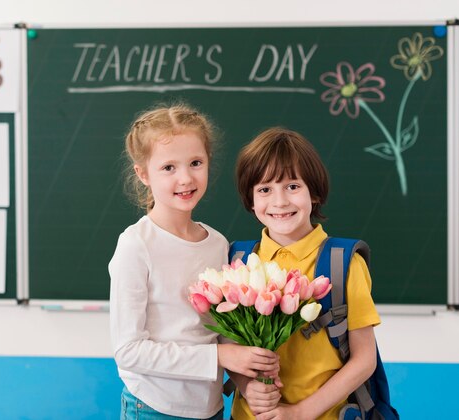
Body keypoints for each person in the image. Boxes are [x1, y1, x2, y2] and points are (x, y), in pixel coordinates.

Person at [109, 104, 280, 419]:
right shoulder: (136, 245)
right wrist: (219, 356)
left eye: (195, 163)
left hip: (209, 408)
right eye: (168, 168)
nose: (185, 178)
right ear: (143, 173)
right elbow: (128, 350)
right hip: (152, 407)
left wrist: (245, 377)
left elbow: (220, 328)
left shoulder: (216, 244)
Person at [230, 127, 380, 420]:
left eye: (292, 186)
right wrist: (246, 385)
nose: (280, 201)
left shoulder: (343, 262)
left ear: (314, 191)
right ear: (250, 200)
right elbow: (229, 346)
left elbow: (365, 360)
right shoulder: (239, 261)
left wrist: (300, 412)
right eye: (264, 189)